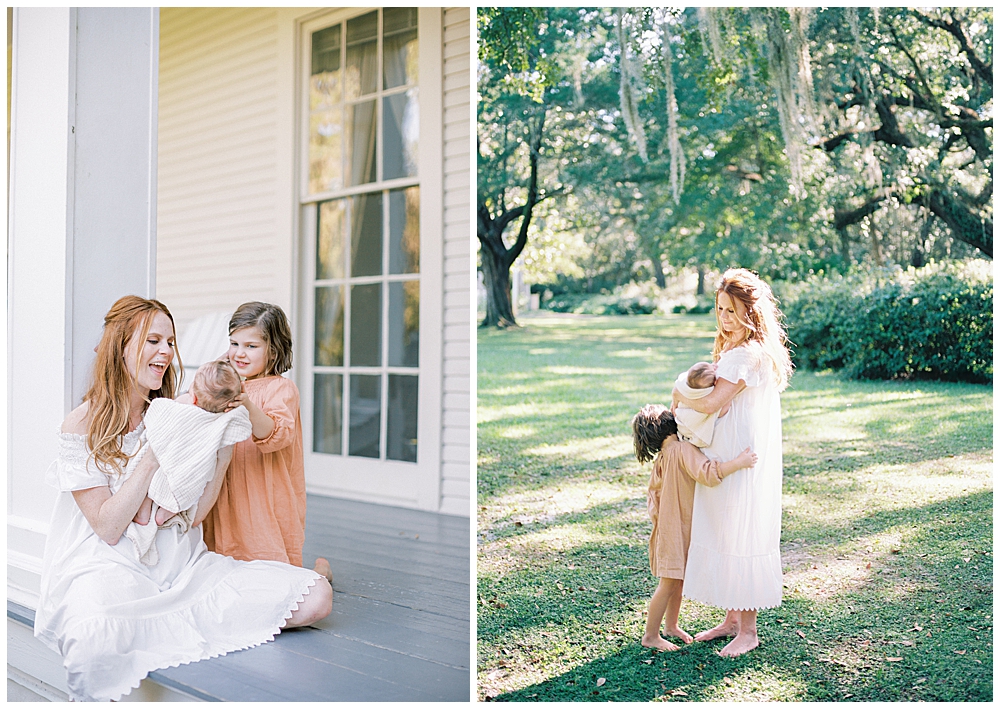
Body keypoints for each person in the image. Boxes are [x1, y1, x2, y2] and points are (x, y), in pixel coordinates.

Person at [34, 296, 332, 702]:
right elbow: (106, 527)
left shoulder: (177, 410)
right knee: (93, 640)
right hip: (116, 565)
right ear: (120, 346)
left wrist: (222, 447)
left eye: (170, 342)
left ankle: (185, 620)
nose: (166, 352)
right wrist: (154, 453)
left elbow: (194, 516)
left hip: (188, 566)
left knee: (316, 595)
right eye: (153, 340)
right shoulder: (83, 423)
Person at [671, 268, 793, 658]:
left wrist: (678, 394)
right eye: (720, 310)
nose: (724, 318)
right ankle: (731, 619)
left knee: (743, 530)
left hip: (745, 455)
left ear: (751, 314)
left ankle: (749, 629)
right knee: (725, 528)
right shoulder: (732, 350)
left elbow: (711, 402)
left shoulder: (749, 354)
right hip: (726, 452)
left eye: (732, 311)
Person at [202, 302, 333, 583]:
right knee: (224, 563)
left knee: (273, 574)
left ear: (273, 350)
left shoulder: (280, 389)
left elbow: (273, 434)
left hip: (263, 493)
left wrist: (246, 403)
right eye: (234, 343)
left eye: (251, 346)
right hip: (228, 486)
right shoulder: (229, 385)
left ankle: (319, 574)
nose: (239, 353)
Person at [631, 404, 757, 652]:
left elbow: (653, 495)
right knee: (668, 584)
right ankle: (651, 635)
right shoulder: (681, 449)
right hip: (676, 530)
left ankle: (670, 627)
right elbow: (707, 472)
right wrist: (739, 462)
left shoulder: (664, 457)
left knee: (675, 581)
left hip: (667, 529)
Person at [129, 360, 251, 563]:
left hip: (168, 461)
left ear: (193, 395)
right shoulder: (220, 420)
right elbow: (240, 423)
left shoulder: (184, 402)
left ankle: (143, 512)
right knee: (182, 489)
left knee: (153, 485)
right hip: (189, 473)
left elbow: (160, 413)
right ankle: (166, 513)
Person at [673, 362, 720, 447]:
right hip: (696, 433)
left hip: (682, 425)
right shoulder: (707, 393)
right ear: (715, 382)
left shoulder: (683, 386)